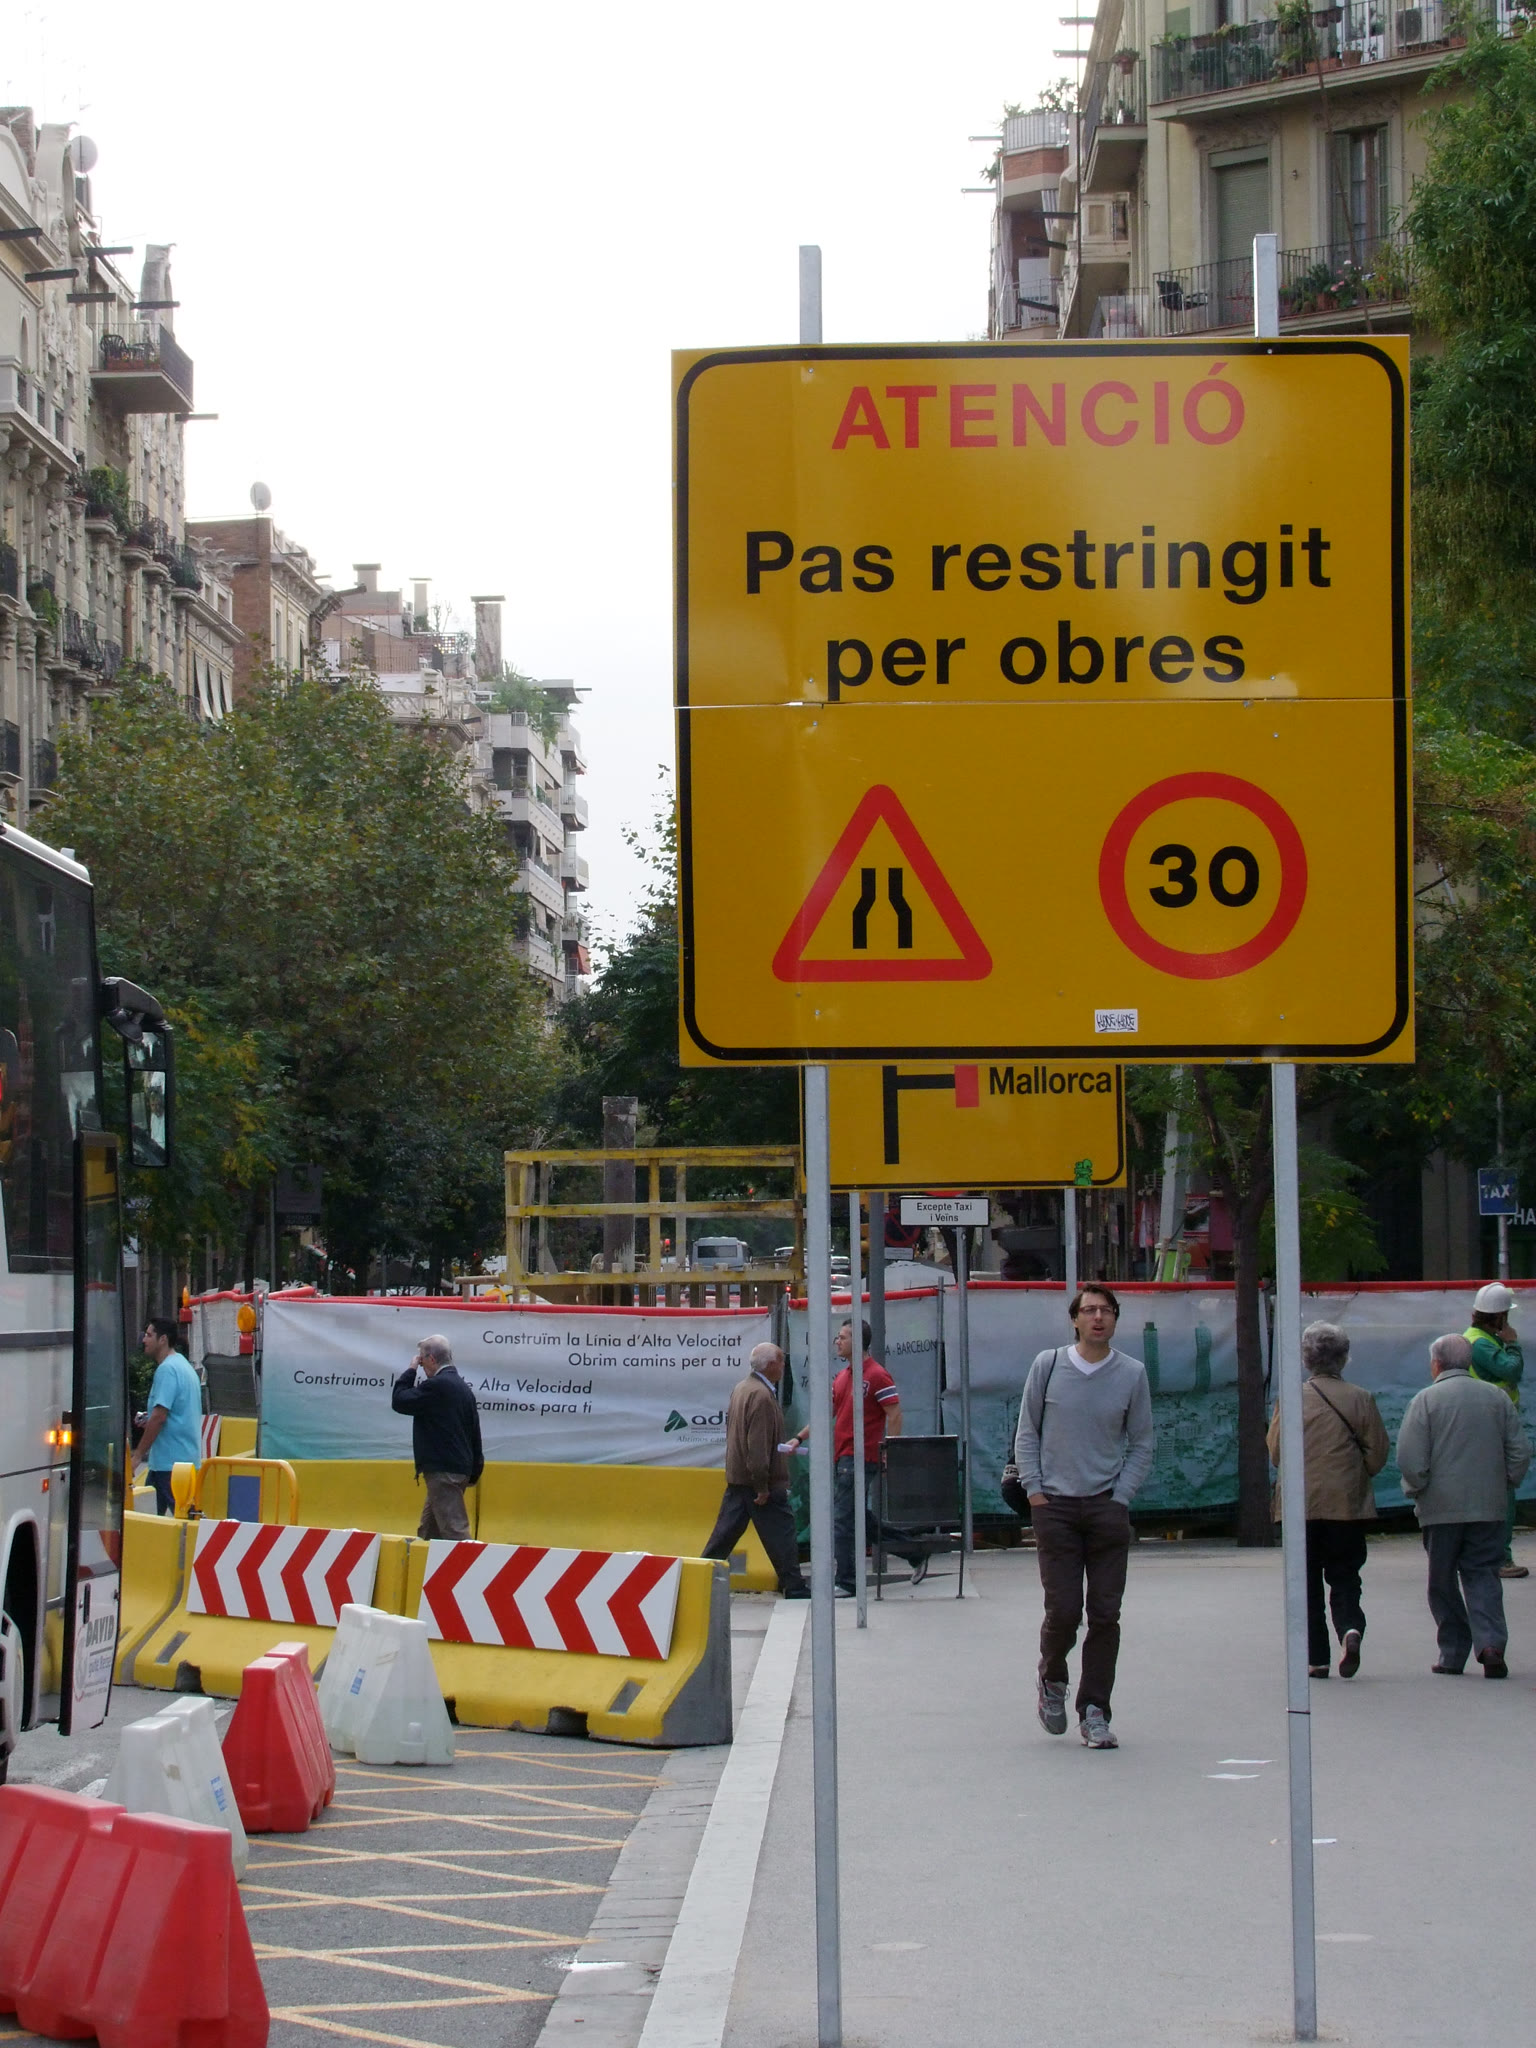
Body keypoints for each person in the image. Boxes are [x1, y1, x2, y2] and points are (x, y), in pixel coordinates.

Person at [1016, 1283, 1154, 1749]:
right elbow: (1027, 1431)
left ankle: (1095, 1711)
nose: (1098, 1318)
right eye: (1089, 1310)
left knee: (1105, 1613)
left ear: (1116, 1319)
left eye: (1106, 1310)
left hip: (1105, 1505)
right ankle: (1052, 1678)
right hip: (1054, 1506)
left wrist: (1121, 1495)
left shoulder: (1131, 1373)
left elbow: (1143, 1441)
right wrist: (1035, 1490)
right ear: (1074, 1319)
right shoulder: (1049, 1365)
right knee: (1064, 1609)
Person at [1396, 1332, 1532, 1678]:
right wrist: (1506, 1483)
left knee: (1441, 1580)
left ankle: (1453, 1652)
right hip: (1488, 1506)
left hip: (1440, 1509)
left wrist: (1417, 1488)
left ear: (1436, 1364)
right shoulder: (1497, 1398)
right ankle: (1490, 1645)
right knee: (1483, 1574)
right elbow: (1519, 1450)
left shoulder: (1425, 1401)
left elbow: (1409, 1457)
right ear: (1469, 1362)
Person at [1266, 1322, 1390, 1680]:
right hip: (1346, 1504)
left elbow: (1276, 1452)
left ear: (1306, 1359)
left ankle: (1317, 1658)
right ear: (1344, 1357)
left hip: (1299, 1505)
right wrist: (1356, 1473)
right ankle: (1350, 1627)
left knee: (1305, 1583)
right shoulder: (1361, 1398)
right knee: (1345, 1574)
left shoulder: (1291, 1398)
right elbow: (1378, 1453)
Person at [790, 1318, 913, 1596]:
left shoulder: (877, 1375)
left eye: (843, 1337)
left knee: (843, 1520)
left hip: (860, 1456)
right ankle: (914, 1551)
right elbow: (825, 1413)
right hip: (843, 1455)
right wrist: (799, 1437)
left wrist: (889, 1450)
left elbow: (894, 1413)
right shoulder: (843, 1377)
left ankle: (846, 1580)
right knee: (856, 1517)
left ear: (857, 1342)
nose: (837, 1341)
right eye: (838, 1337)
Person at [701, 1343, 810, 1598]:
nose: (783, 1366)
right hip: (760, 1482)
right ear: (770, 1365)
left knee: (723, 1538)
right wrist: (762, 1486)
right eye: (781, 1360)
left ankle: (700, 1576)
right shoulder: (761, 1396)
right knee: (782, 1533)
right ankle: (793, 1585)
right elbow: (757, 1446)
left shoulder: (742, 1388)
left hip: (739, 1478)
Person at [1462, 1281, 1528, 1578]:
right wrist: (1513, 1344)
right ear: (1500, 1316)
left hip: (1487, 1424)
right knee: (1503, 1492)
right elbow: (1511, 1370)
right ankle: (1500, 1557)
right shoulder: (1482, 1344)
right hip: (1493, 1426)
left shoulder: (1476, 1339)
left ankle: (1488, 1554)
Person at [391, 1334, 484, 1540]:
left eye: (422, 1362)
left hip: (443, 1471)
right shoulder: (463, 1388)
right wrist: (475, 1468)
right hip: (458, 1468)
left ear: (431, 1359)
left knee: (454, 1532)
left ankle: (468, 1561)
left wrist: (410, 1370)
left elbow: (399, 1400)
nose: (422, 1367)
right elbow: (474, 1430)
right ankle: (425, 1560)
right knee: (430, 1533)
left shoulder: (437, 1386)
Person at [132, 1316, 204, 1515]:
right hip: (182, 1462)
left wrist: (137, 1455)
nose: (144, 1340)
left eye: (149, 1335)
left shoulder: (167, 1370)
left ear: (162, 1339)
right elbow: (175, 1413)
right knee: (163, 1521)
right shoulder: (183, 1366)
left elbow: (159, 1417)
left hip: (169, 1465)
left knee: (171, 1521)